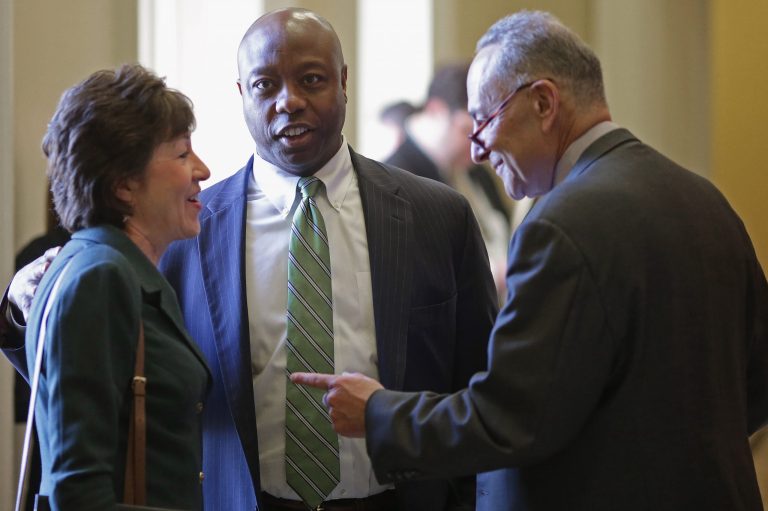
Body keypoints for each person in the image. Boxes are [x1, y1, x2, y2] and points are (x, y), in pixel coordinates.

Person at [2, 7, 497, 511]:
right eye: (265, 85)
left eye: (311, 79)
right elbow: (86, 373)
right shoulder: (183, 230)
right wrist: (27, 304)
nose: (290, 102)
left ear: (344, 82)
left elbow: (483, 393)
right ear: (242, 95)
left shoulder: (439, 217)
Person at [291, 10, 768, 511]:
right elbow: (754, 382)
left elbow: (508, 419)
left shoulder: (560, 225)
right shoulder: (705, 200)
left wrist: (379, 414)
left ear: (543, 102)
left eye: (484, 118)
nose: (476, 150)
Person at [7, 64, 212, 510]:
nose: (203, 169)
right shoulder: (102, 275)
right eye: (181, 155)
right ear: (124, 186)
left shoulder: (115, 266)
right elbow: (78, 493)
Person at [385, 64, 512, 296]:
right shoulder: (393, 179)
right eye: (467, 129)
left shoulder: (476, 172)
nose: (480, 146)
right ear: (435, 111)